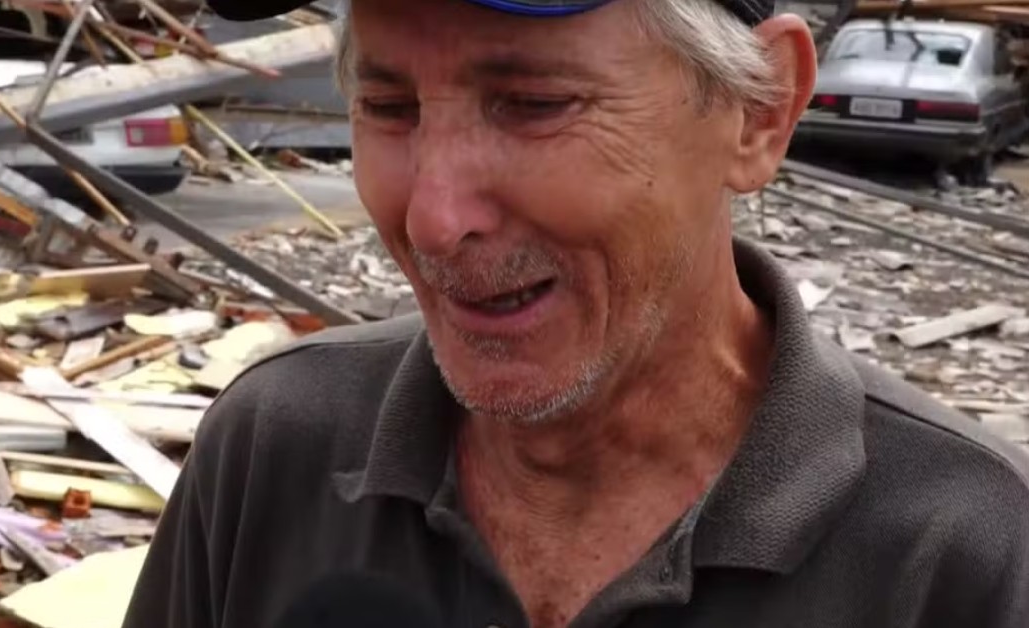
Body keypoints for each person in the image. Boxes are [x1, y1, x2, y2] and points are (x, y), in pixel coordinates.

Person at [122, 1, 1029, 626]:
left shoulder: (969, 554)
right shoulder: (272, 452)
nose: (434, 218)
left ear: (759, 110)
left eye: (533, 105)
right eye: (389, 106)